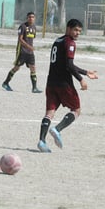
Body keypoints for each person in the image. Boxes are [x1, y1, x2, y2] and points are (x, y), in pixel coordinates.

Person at [37, 19, 98, 153]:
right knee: (76, 110)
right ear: (68, 28)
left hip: (51, 83)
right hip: (64, 84)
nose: (77, 33)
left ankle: (41, 141)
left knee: (49, 113)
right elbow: (69, 66)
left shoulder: (57, 41)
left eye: (79, 31)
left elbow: (65, 63)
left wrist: (86, 72)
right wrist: (81, 79)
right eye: (75, 30)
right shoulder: (70, 43)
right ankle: (57, 129)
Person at [2, 12, 42, 93]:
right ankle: (5, 83)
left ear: (34, 18)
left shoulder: (34, 27)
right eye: (29, 17)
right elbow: (20, 39)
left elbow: (31, 38)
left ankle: (34, 88)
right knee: (17, 67)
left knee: (33, 67)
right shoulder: (23, 26)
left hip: (30, 52)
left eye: (33, 17)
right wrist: (28, 46)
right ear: (27, 18)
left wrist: (30, 48)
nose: (31, 18)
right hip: (22, 51)